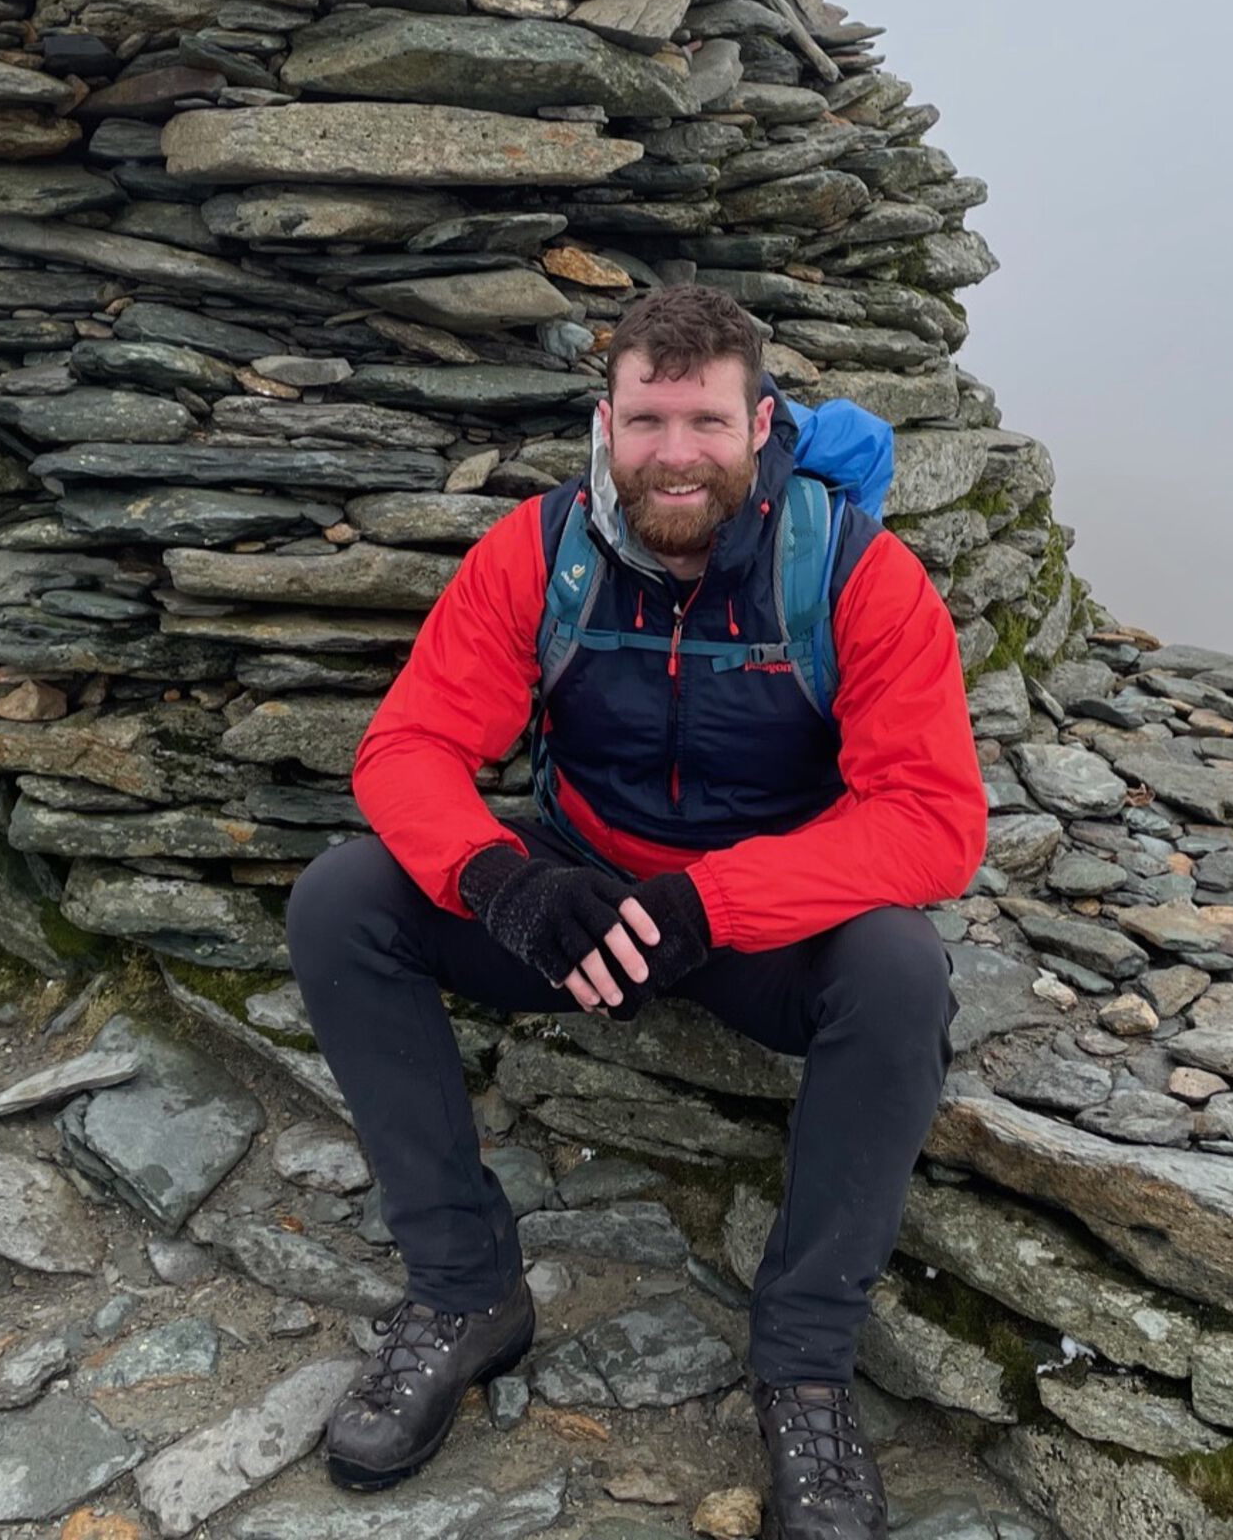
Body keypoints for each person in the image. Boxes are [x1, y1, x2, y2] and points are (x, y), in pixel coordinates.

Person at [288, 285, 986, 1540]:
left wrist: (715, 902)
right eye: (648, 419)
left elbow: (934, 819)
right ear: (605, 421)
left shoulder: (854, 573)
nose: (675, 452)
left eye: (706, 422)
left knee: (897, 971)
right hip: (580, 899)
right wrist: (506, 883)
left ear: (761, 423)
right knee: (345, 899)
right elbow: (410, 748)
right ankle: (465, 1293)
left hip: (763, 918)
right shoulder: (536, 550)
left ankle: (806, 1370)